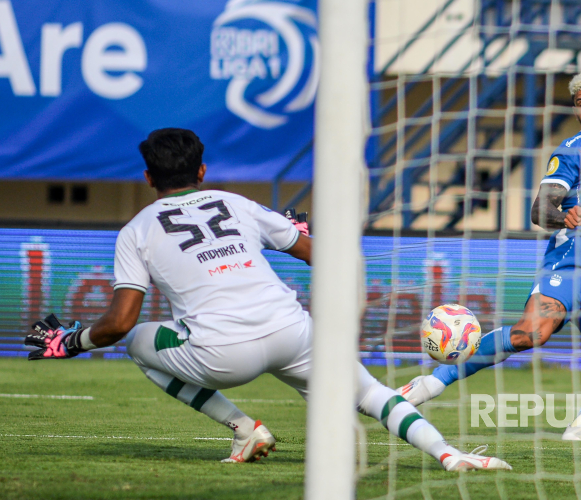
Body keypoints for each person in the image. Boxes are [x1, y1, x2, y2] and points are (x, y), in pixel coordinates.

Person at [24, 128, 511, 471]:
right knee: (370, 395)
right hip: (291, 331)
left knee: (137, 343)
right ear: (202, 170)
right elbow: (313, 252)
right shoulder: (236, 203)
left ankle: (242, 427)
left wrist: (71, 340)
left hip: (220, 355)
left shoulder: (136, 230)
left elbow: (120, 321)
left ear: (148, 178)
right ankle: (449, 454)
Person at [397, 40, 581, 441]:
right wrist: (563, 215)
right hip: (570, 262)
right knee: (531, 334)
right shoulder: (572, 152)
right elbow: (540, 209)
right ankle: (430, 383)